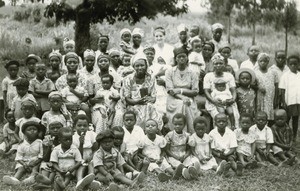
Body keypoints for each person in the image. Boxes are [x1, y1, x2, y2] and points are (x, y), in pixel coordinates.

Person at [122, 54, 163, 129]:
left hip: (147, 105)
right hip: (133, 105)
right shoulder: (128, 79)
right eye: (137, 66)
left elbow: (154, 96)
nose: (140, 68)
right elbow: (127, 99)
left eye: (142, 65)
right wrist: (137, 101)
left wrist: (151, 99)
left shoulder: (151, 78)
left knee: (150, 108)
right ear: (133, 67)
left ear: (146, 65)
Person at [165, 47, 200, 133]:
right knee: (183, 104)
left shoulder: (193, 72)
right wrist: (182, 97)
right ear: (175, 59)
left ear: (187, 58)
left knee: (186, 105)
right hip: (174, 99)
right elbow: (170, 90)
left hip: (190, 98)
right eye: (179, 57)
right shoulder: (169, 72)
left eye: (183, 56)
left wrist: (180, 90)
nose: (181, 59)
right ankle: (180, 133)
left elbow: (195, 91)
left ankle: (188, 133)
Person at [203, 53, 239, 129]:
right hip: (213, 101)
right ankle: (219, 133)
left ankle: (233, 129)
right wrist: (214, 101)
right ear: (213, 64)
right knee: (218, 116)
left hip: (228, 100)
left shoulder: (229, 75)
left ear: (224, 64)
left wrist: (232, 99)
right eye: (216, 64)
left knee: (234, 114)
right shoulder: (208, 76)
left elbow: (233, 90)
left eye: (221, 63)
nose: (218, 65)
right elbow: (206, 91)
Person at [3, 121, 44, 186]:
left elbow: (41, 155)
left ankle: (31, 178)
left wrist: (35, 163)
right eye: (29, 130)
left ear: (38, 132)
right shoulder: (22, 144)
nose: (32, 131)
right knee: (21, 168)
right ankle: (15, 179)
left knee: (35, 168)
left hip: (36, 161)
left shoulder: (40, 142)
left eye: (34, 129)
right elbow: (19, 157)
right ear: (24, 132)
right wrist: (24, 164)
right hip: (24, 162)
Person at [165, 114, 201, 180]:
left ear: (184, 125)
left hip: (184, 154)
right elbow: (167, 150)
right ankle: (186, 173)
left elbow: (189, 149)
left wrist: (186, 155)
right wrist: (176, 157)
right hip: (173, 155)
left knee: (193, 160)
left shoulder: (187, 135)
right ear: (173, 124)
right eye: (175, 124)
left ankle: (193, 170)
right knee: (179, 165)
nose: (177, 126)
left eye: (180, 124)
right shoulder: (169, 135)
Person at [72, 115, 102, 189]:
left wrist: (91, 157)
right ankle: (79, 181)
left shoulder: (91, 134)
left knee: (92, 164)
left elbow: (96, 148)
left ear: (88, 126)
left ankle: (92, 180)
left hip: (90, 158)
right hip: (79, 160)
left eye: (85, 126)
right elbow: (77, 155)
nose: (82, 128)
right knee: (80, 166)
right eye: (79, 125)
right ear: (74, 126)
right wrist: (81, 144)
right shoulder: (73, 138)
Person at [34, 121, 63, 190]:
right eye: (53, 128)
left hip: (59, 161)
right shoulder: (46, 139)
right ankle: (45, 180)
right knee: (44, 165)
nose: (55, 130)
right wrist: (49, 147)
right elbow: (45, 158)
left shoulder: (64, 138)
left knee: (55, 168)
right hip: (49, 161)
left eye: (58, 128)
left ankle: (48, 182)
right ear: (49, 130)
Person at [279, 54, 300, 141]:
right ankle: (285, 135)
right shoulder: (285, 75)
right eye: (291, 64)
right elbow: (282, 90)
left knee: (296, 119)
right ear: (287, 64)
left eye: (295, 64)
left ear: (298, 64)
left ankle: (294, 135)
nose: (293, 66)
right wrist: (283, 102)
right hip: (289, 101)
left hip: (298, 101)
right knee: (287, 119)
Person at [254, 53, 279, 125]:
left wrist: (276, 99)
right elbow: (252, 85)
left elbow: (276, 85)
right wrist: (258, 87)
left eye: (265, 61)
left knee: (270, 113)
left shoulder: (273, 72)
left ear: (268, 62)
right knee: (260, 113)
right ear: (258, 62)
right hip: (260, 96)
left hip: (270, 96)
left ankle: (270, 129)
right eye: (260, 61)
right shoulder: (255, 72)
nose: (263, 63)